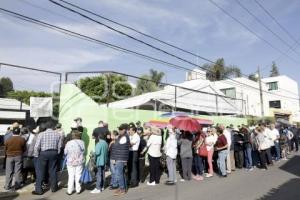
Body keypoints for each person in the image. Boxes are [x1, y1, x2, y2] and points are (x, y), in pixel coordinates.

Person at [32, 120, 62, 195]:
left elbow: (36, 147)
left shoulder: (41, 134)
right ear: (53, 127)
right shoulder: (58, 134)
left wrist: (36, 155)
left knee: (40, 171)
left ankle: (39, 190)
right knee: (53, 170)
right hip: (54, 153)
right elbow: (60, 146)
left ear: (46, 127)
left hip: (43, 153)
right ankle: (54, 188)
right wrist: (57, 153)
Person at [110, 124, 130, 196]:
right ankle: (122, 187)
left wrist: (114, 142)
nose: (119, 130)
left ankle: (122, 189)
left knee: (119, 174)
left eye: (120, 129)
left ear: (124, 130)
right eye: (119, 129)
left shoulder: (124, 137)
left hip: (121, 158)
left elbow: (116, 146)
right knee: (122, 173)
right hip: (119, 157)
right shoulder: (121, 136)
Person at [64, 131, 85, 195]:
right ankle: (78, 190)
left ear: (72, 136)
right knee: (78, 175)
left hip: (70, 161)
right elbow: (84, 151)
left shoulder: (68, 143)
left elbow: (65, 152)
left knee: (71, 176)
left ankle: (69, 190)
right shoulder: (82, 142)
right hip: (79, 161)